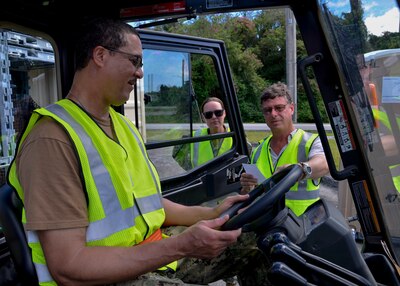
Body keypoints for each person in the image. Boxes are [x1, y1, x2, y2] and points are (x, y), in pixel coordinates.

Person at [7, 18, 269, 285]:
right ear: (100, 56)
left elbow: (147, 205)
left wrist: (212, 214)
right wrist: (181, 246)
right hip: (106, 277)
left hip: (148, 252)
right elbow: (68, 266)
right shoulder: (52, 138)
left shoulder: (122, 126)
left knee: (257, 241)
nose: (141, 73)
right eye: (135, 62)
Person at [240, 82, 329, 216]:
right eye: (267, 110)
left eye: (279, 108)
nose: (273, 114)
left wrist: (299, 170)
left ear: (291, 109)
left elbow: (324, 164)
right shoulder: (258, 149)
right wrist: (247, 188)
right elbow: (252, 192)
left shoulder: (310, 141)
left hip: (303, 226)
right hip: (266, 225)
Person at [173, 97, 232, 170]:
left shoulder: (237, 137)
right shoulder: (193, 137)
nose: (214, 117)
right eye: (208, 114)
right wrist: (191, 172)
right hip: (201, 180)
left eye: (218, 113)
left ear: (224, 113)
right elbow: (177, 155)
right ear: (203, 117)